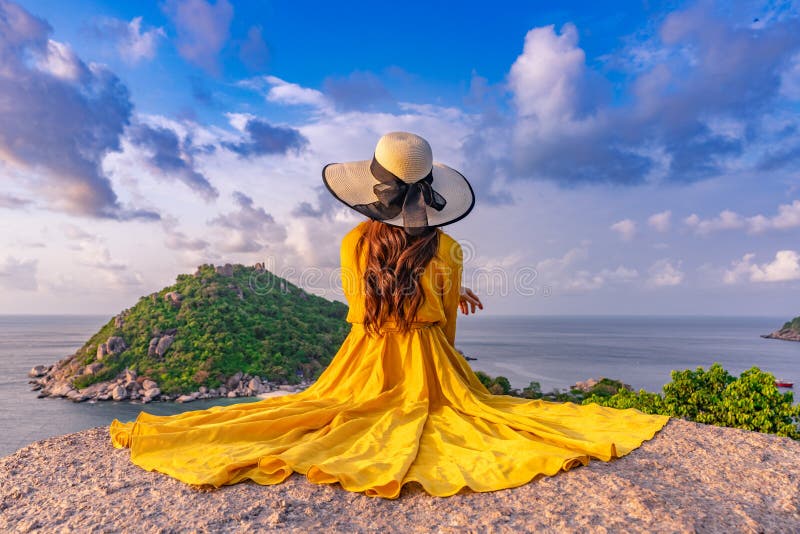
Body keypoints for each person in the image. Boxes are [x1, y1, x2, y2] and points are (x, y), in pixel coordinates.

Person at [110, 132, 670, 499]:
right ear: (427, 190)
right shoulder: (447, 251)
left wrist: (426, 295)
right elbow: (443, 326)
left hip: (363, 359)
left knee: (320, 414)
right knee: (468, 418)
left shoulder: (354, 242)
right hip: (428, 366)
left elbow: (361, 307)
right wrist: (448, 299)